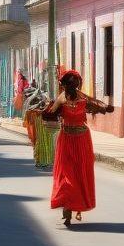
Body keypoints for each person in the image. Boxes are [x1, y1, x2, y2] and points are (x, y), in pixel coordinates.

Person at [47, 70, 113, 227]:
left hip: (82, 140)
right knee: (66, 175)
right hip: (67, 140)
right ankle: (67, 207)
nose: (72, 86)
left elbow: (98, 105)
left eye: (74, 83)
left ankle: (71, 206)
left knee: (77, 175)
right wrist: (48, 111)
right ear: (65, 85)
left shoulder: (82, 99)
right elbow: (50, 114)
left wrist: (105, 108)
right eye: (70, 83)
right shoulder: (62, 99)